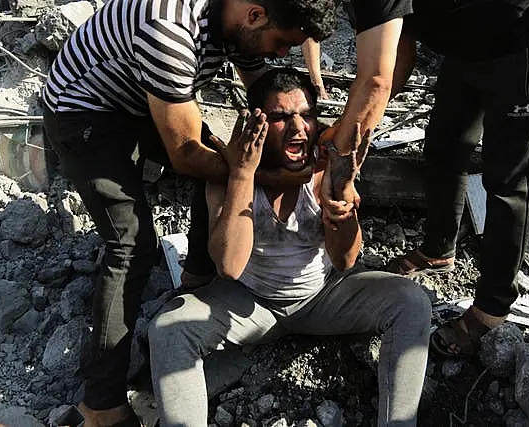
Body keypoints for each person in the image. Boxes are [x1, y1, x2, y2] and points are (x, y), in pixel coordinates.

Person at [42, 0, 335, 424]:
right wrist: (271, 176)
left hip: (144, 96)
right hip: (85, 111)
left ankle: (198, 279)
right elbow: (185, 155)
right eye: (283, 43)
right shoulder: (169, 31)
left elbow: (264, 92)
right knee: (130, 245)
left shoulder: (242, 21)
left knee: (219, 158)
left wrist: (321, 136)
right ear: (255, 16)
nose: (283, 55)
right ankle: (101, 404)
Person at [148, 69, 431, 427]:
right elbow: (230, 266)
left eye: (306, 115)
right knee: (169, 328)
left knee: (411, 302)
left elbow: (345, 260)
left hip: (321, 298)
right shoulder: (230, 176)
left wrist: (341, 200)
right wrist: (241, 175)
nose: (299, 129)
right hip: (251, 305)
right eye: (281, 118)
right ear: (258, 125)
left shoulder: (324, 171)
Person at [318, 0, 529, 357]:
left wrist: (343, 149)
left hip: (527, 33)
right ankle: (440, 248)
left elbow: (375, 82)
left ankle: (492, 309)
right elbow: (397, 55)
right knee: (444, 147)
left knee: (510, 181)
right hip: (467, 41)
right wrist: (355, 125)